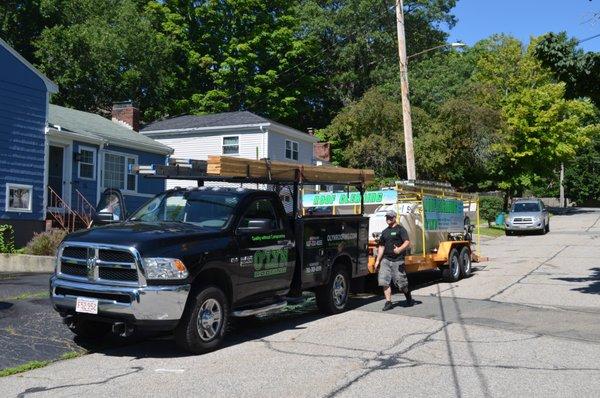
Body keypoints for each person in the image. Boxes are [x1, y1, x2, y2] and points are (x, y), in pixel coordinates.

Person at [374, 210, 413, 311]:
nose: (388, 219)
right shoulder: (385, 232)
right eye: (387, 217)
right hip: (386, 260)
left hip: (398, 260)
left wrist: (399, 249)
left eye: (390, 217)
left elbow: (407, 242)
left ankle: (408, 295)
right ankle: (388, 302)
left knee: (401, 284)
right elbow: (381, 246)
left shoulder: (401, 229)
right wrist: (378, 260)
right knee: (384, 281)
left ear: (395, 218)